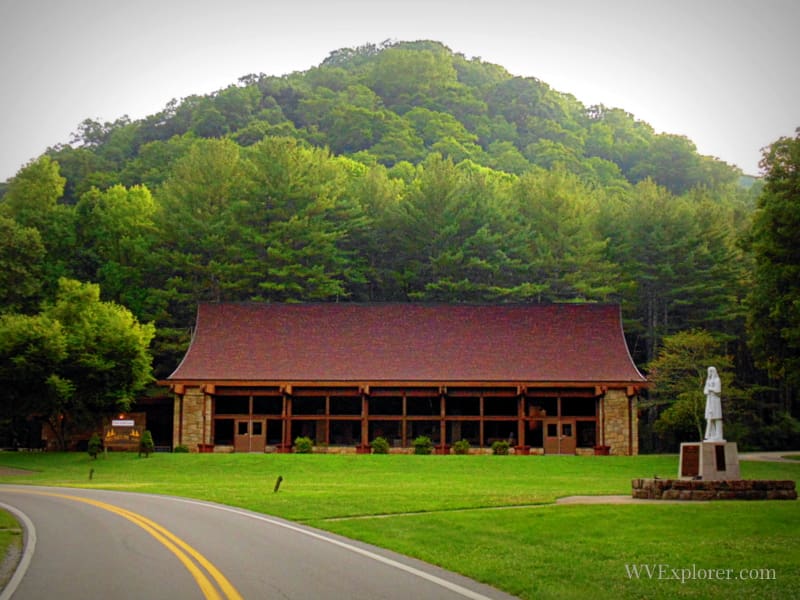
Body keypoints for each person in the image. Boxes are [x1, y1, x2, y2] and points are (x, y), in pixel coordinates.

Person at [703, 366, 723, 441]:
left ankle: (719, 435)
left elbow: (718, 390)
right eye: (709, 371)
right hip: (709, 400)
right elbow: (705, 391)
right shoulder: (708, 380)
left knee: (717, 417)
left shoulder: (717, 380)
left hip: (715, 400)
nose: (710, 373)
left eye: (711, 371)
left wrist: (710, 389)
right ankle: (712, 434)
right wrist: (708, 389)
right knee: (709, 418)